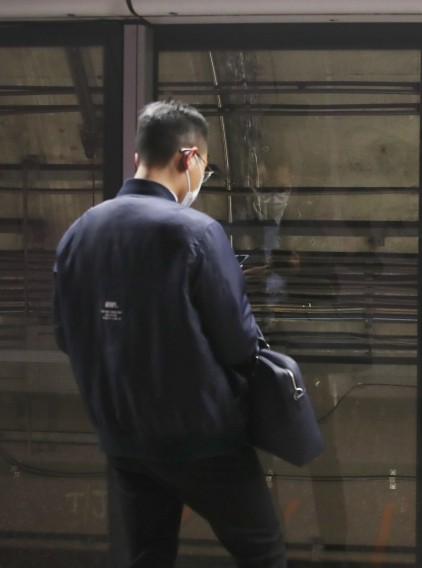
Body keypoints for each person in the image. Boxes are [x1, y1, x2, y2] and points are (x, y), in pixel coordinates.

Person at [53, 100, 285, 568]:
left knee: (146, 557)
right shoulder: (196, 232)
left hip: (122, 435)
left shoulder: (80, 231)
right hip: (202, 437)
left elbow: (66, 332)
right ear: (189, 157)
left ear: (139, 156)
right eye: (206, 166)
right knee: (262, 552)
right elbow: (238, 342)